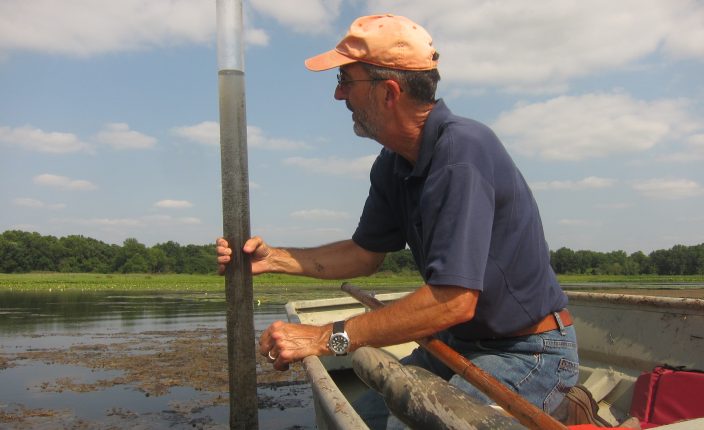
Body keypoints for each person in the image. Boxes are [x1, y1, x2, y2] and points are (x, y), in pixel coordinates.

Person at [216, 14, 579, 428]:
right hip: (454, 345)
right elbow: (363, 255)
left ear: (389, 92)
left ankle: (565, 402)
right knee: (362, 416)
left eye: (345, 80)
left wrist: (324, 337)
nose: (338, 95)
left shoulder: (462, 152)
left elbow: (455, 299)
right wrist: (275, 258)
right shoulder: (392, 164)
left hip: (527, 351)